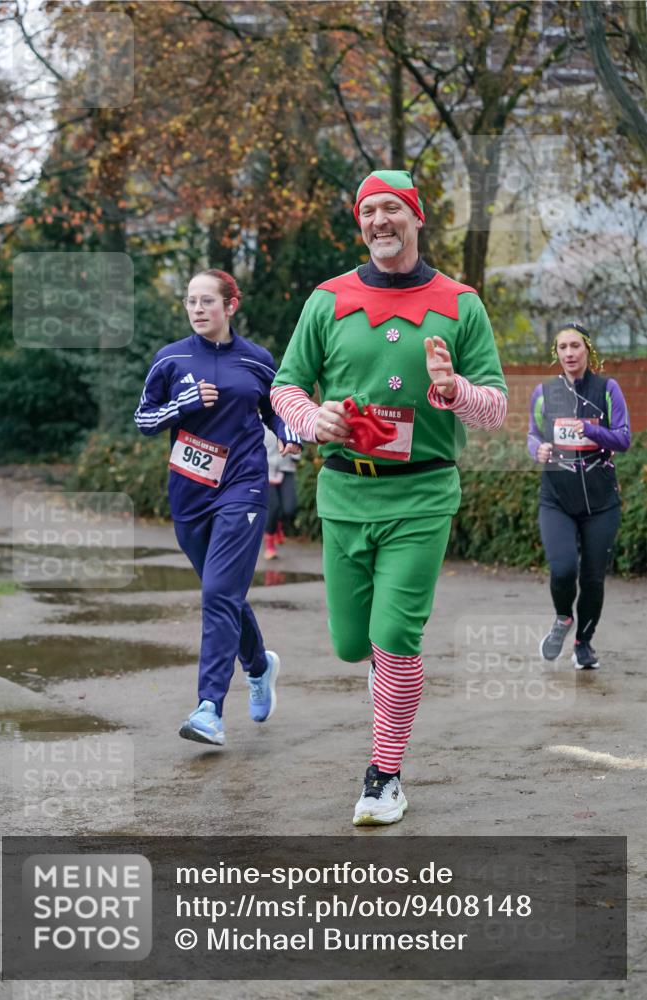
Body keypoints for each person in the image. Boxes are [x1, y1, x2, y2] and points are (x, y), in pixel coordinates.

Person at [271, 170, 507, 825]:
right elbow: (285, 388)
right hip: (343, 493)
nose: (380, 220)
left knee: (394, 637)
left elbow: (494, 411)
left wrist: (453, 388)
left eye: (392, 210)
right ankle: (389, 684)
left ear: (415, 217)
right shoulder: (327, 299)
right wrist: (312, 419)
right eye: (368, 210)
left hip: (423, 494)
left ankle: (383, 776)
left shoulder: (460, 303)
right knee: (353, 645)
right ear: (360, 222)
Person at [134, 269, 300, 746]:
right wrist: (184, 403)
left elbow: (274, 406)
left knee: (217, 596)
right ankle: (259, 664)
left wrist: (287, 435)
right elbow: (145, 419)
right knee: (222, 592)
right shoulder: (171, 359)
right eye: (191, 302)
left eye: (208, 301)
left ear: (231, 305)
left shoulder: (257, 359)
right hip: (189, 493)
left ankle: (209, 708)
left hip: (243, 487)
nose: (198, 309)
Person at [527, 322, 631, 670]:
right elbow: (532, 434)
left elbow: (624, 438)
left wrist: (589, 429)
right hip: (557, 497)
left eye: (575, 346)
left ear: (587, 349)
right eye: (562, 348)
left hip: (601, 501)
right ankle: (562, 618)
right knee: (562, 569)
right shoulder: (543, 392)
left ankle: (584, 643)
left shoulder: (607, 388)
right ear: (555, 353)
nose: (569, 353)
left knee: (592, 577)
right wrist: (538, 449)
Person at [263, 425, 300, 559]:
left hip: (286, 469)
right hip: (266, 471)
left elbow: (297, 443)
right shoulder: (260, 422)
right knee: (273, 508)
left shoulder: (288, 421)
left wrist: (297, 452)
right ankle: (270, 545)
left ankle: (278, 526)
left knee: (290, 507)